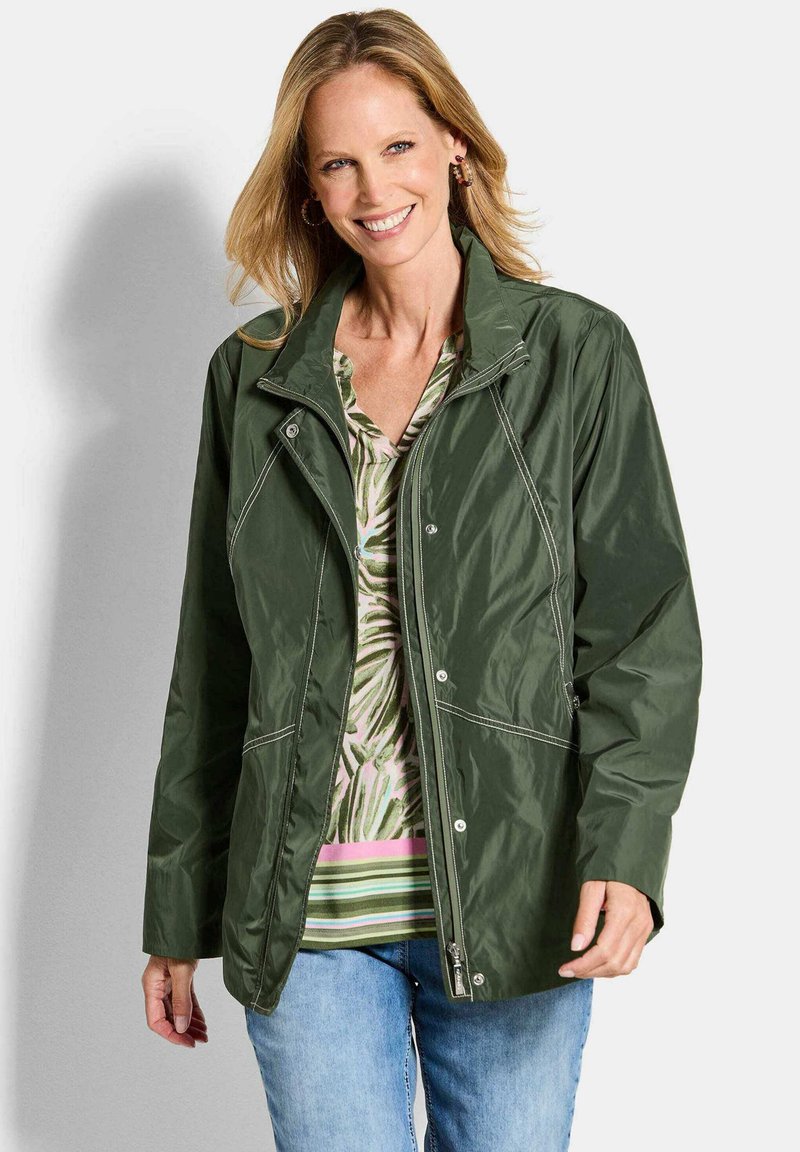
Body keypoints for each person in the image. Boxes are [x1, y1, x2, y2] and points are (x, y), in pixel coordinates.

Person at [141, 9, 702, 1151]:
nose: (372, 188)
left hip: (515, 891)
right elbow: (214, 656)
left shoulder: (572, 356)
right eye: (336, 163)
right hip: (303, 911)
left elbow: (639, 631)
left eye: (397, 146)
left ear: (454, 144)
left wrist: (626, 850)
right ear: (308, 189)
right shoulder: (253, 379)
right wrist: (175, 909)